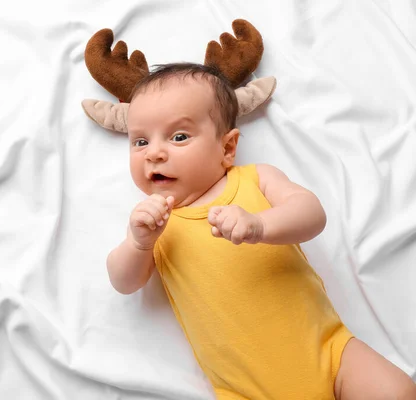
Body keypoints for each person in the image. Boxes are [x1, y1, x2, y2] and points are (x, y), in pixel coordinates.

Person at [106, 63, 416, 400]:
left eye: (179, 136)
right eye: (139, 141)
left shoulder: (255, 178)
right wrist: (137, 244)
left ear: (227, 148)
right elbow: (124, 282)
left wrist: (260, 225)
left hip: (328, 352)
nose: (154, 153)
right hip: (245, 390)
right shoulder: (154, 224)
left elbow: (312, 214)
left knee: (397, 391)